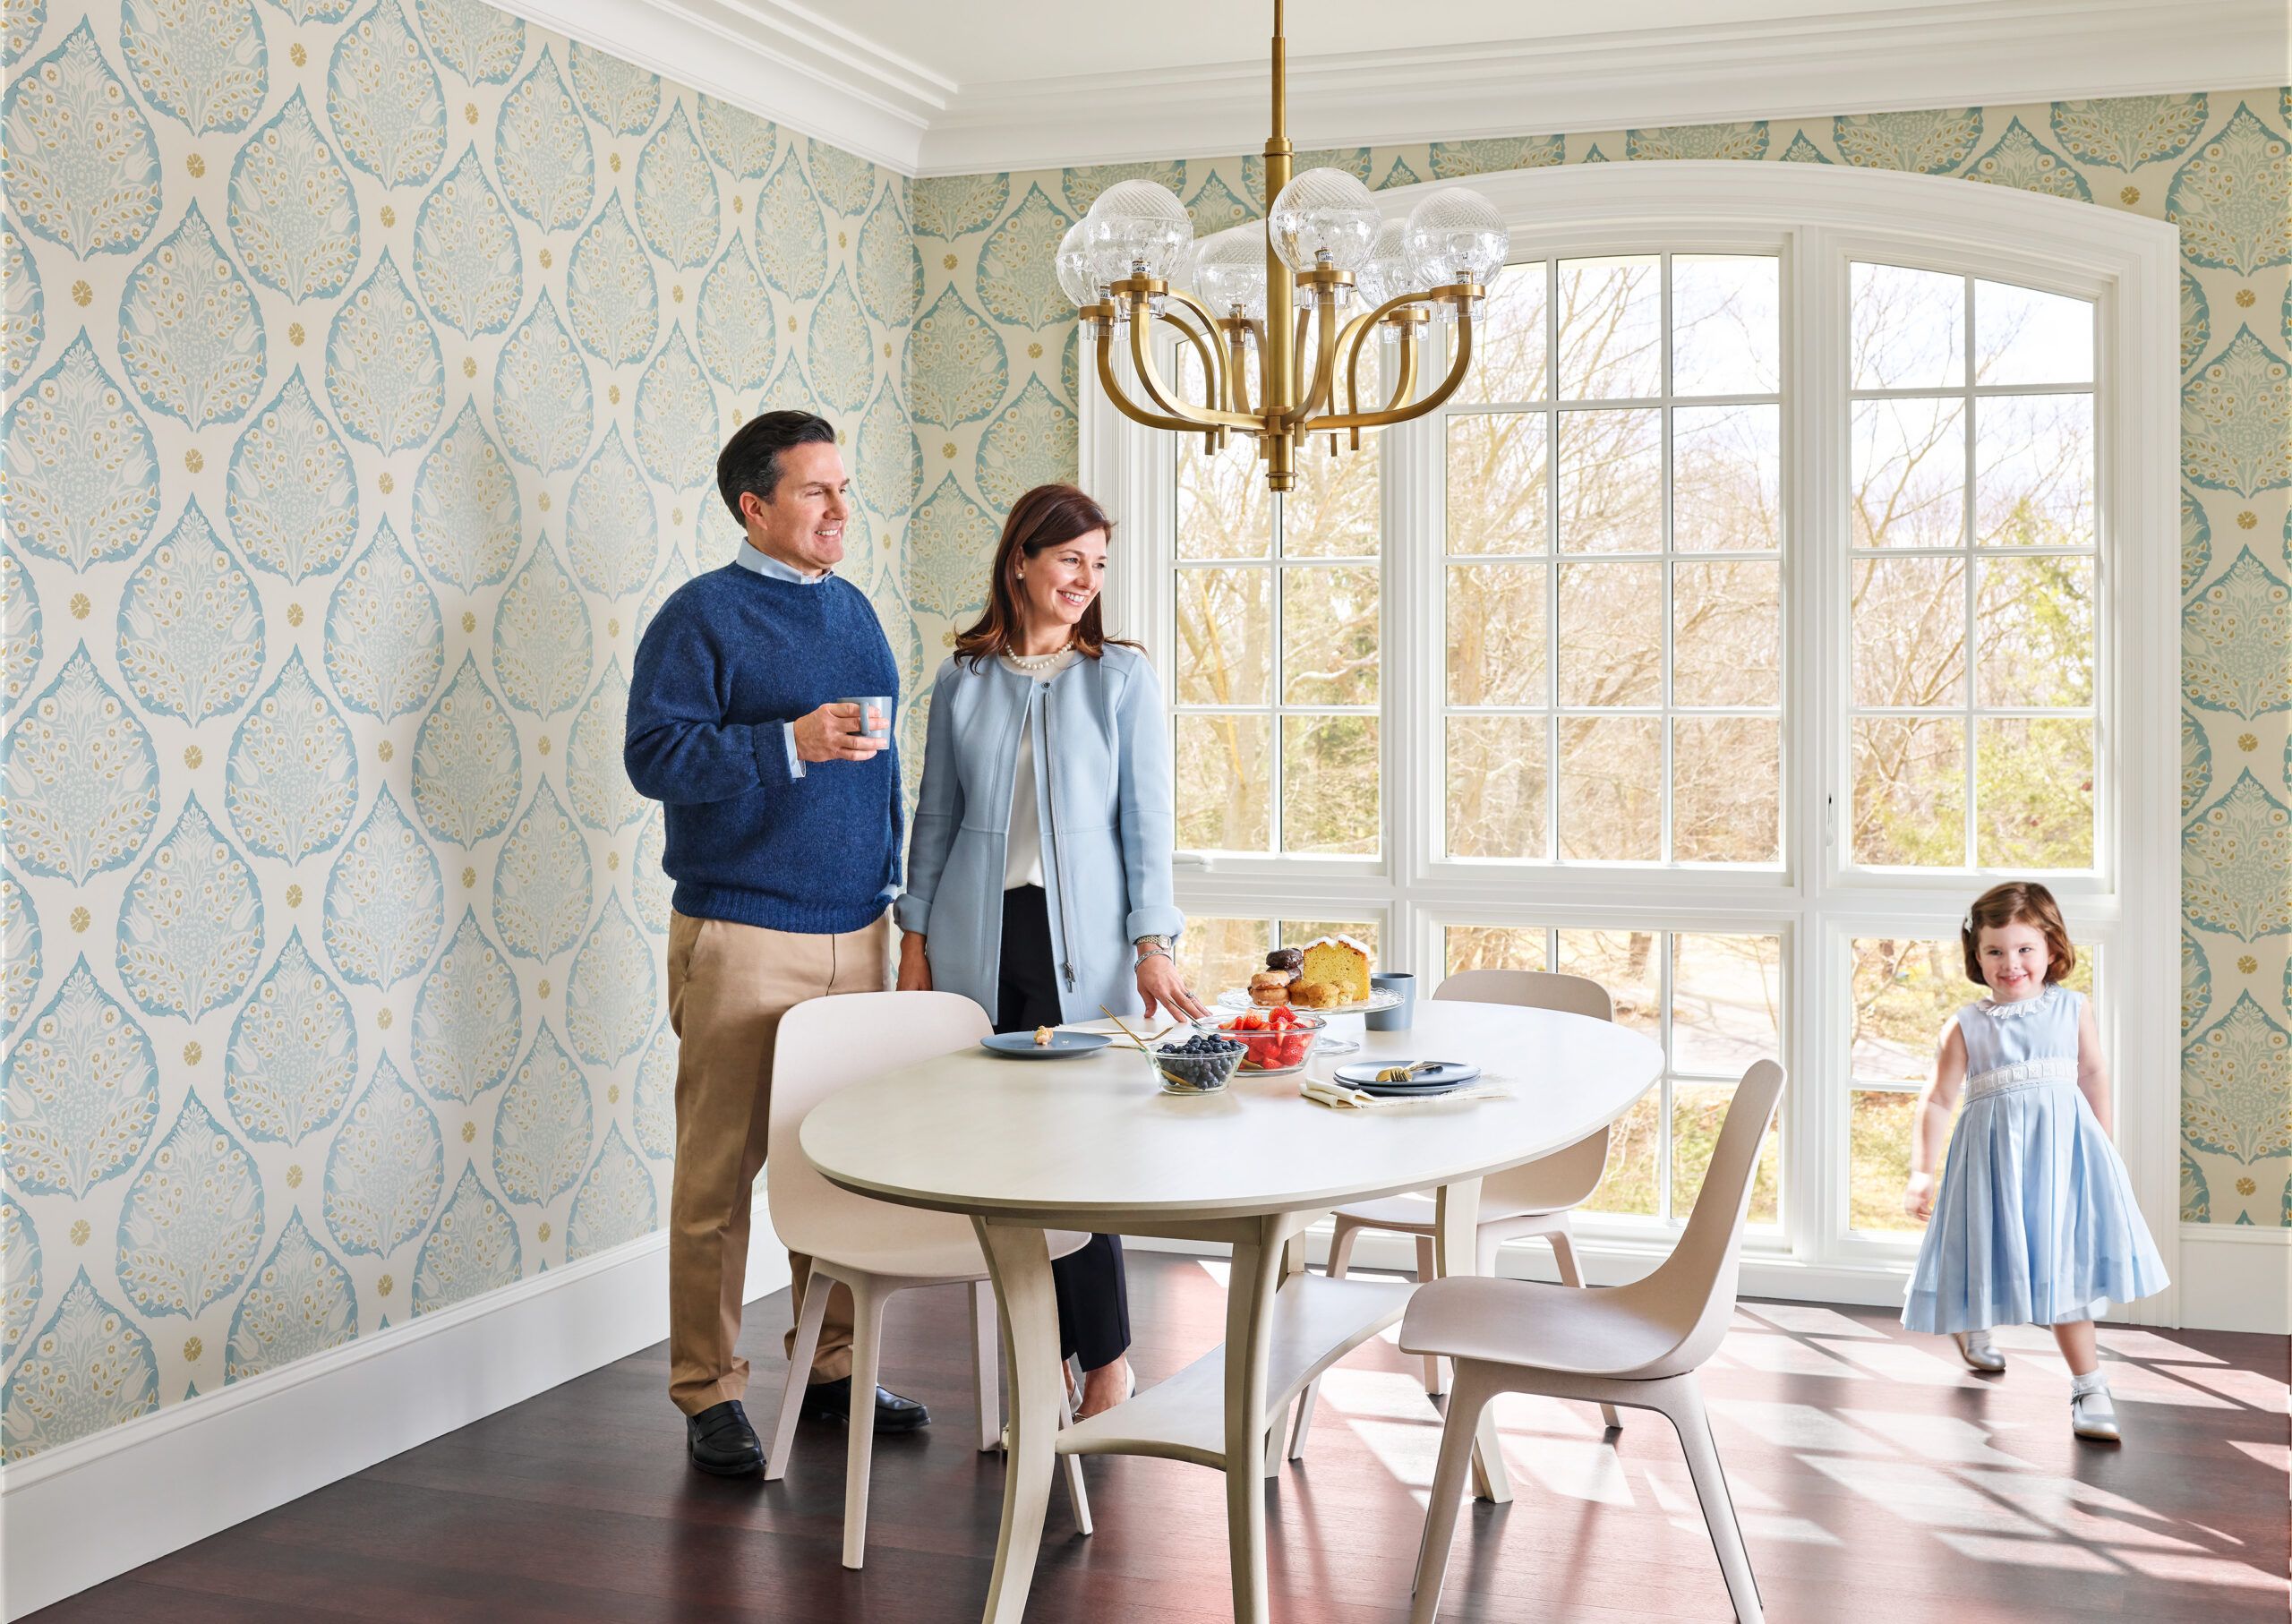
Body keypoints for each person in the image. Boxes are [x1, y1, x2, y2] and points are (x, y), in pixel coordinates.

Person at [625, 409, 932, 1477]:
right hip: (746, 927)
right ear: (755, 507)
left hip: (860, 926)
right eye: (816, 491)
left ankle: (834, 1365)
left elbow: (884, 775)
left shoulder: (853, 612)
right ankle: (707, 1388)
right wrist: (785, 742)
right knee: (721, 1175)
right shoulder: (699, 615)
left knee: (838, 1166)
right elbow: (653, 756)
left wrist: (891, 905)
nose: (841, 509)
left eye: (844, 488)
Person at [895, 483, 1205, 1418]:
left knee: (1082, 1153)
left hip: (1084, 952)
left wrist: (1153, 941)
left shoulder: (1119, 678)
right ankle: (1037, 1359)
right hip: (974, 942)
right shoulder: (965, 676)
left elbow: (1146, 822)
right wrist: (912, 938)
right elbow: (936, 817)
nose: (1084, 579)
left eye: (1098, 564)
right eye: (1070, 558)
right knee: (999, 1158)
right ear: (1022, 559)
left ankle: (1106, 1358)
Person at [1901, 880, 2168, 1442]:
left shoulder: (2073, 1009)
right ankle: (1974, 1327)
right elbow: (1938, 1098)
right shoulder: (1966, 1025)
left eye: (2024, 949)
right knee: (1987, 1250)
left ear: (2052, 949)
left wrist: (2102, 1147)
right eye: (1995, 951)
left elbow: (2093, 1074)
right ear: (1976, 956)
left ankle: (2089, 1385)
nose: (2011, 963)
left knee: (2062, 1269)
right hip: (1989, 1163)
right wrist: (1921, 1170)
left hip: (2063, 1160)